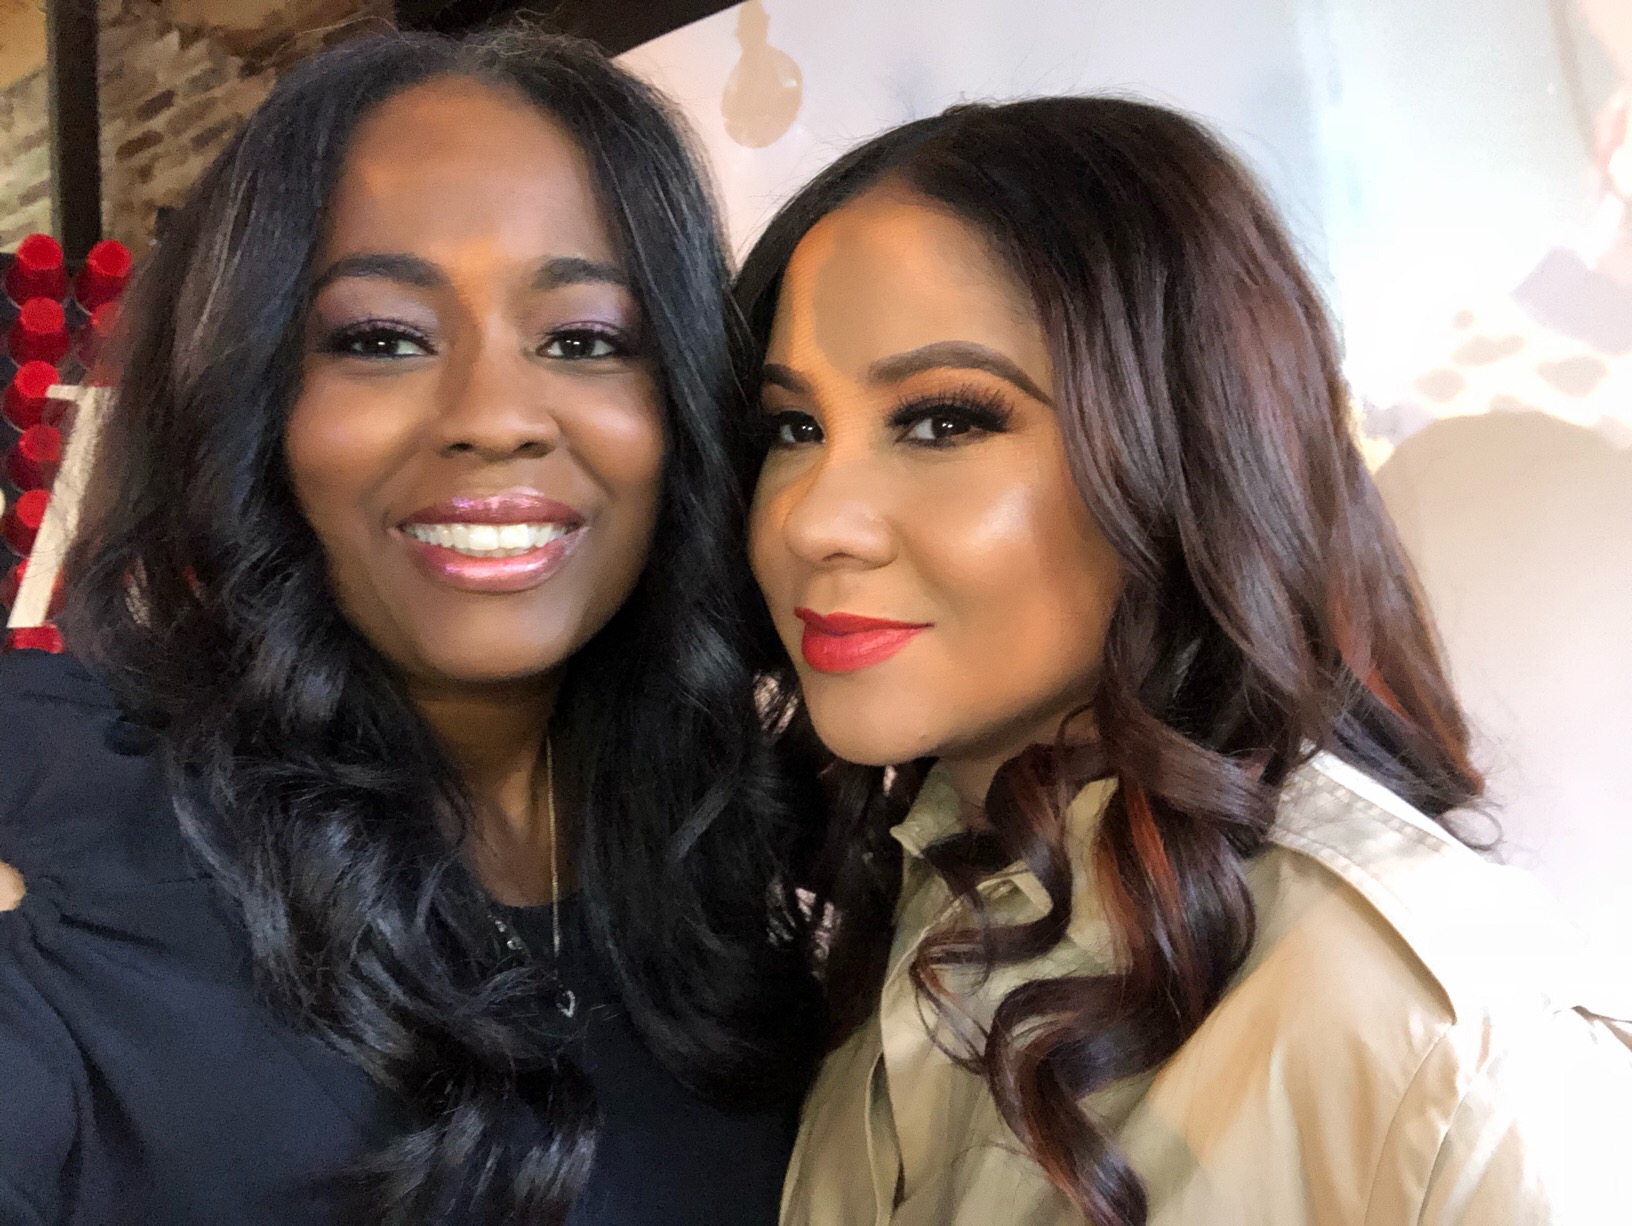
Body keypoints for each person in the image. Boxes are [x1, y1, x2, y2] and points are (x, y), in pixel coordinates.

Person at [735, 97, 1632, 1225]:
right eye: (793, 428)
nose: (816, 520)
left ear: (1186, 440)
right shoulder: (910, 917)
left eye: (943, 420)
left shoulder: (1434, 1035)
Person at [0, 28, 821, 1226]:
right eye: (380, 338)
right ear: (250, 393)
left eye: (584, 339)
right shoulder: (61, 831)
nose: (493, 415)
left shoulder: (743, 844)